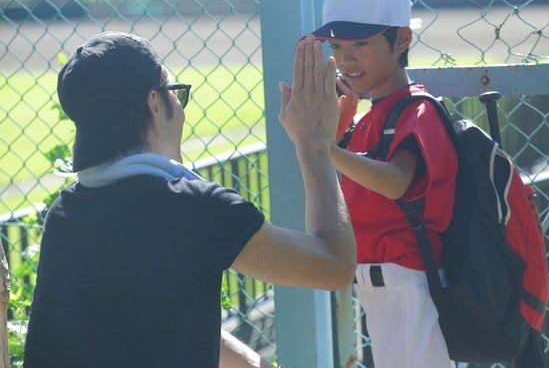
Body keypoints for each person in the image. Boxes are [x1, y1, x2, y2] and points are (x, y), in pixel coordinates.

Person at [23, 31, 355, 367]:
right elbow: (334, 265)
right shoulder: (193, 207)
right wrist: (314, 143)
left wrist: (244, 360)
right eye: (174, 92)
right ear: (155, 103)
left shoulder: (66, 211)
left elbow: (131, 310)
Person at [309, 0, 457, 367]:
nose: (346, 58)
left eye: (360, 42)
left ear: (402, 39)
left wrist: (326, 149)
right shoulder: (367, 114)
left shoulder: (416, 108)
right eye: (337, 47)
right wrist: (331, 135)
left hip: (414, 285)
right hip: (378, 285)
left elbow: (396, 182)